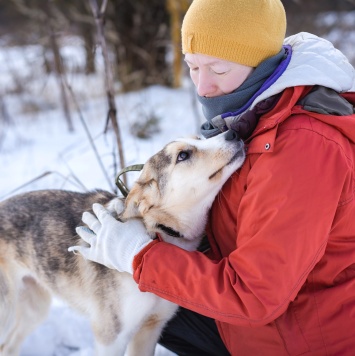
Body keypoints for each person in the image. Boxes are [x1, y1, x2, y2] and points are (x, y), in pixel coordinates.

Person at [69, 0, 355, 354]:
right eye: (193, 66)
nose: (203, 87)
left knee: (149, 288)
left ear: (260, 63)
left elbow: (255, 296)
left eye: (217, 70)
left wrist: (139, 256)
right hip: (271, 321)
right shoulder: (252, 114)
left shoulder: (302, 148)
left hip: (297, 340)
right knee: (146, 293)